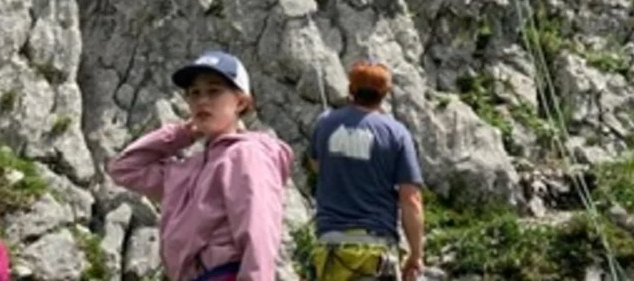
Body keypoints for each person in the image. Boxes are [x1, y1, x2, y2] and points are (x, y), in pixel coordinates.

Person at [108, 50, 295, 281]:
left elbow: (258, 233)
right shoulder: (186, 169)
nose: (202, 100)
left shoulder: (247, 154)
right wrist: (183, 133)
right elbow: (124, 168)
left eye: (214, 91)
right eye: (194, 93)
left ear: (241, 101)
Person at [306, 62, 425, 281]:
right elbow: (411, 199)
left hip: (329, 248)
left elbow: (316, 166)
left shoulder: (325, 123)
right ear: (385, 95)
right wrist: (416, 255)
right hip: (375, 251)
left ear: (351, 91)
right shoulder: (397, 134)